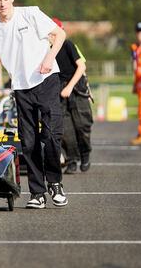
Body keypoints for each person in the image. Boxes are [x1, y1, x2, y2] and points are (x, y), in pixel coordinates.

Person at [0, 0, 67, 209]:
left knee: (52, 135)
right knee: (29, 141)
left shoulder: (30, 14)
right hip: (21, 88)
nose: (2, 4)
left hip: (47, 79)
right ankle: (37, 193)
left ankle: (55, 182)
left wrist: (49, 58)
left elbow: (60, 34)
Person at [50, 18, 93, 174]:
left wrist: (71, 87)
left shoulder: (68, 45)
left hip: (76, 86)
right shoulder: (45, 50)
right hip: (59, 90)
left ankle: (85, 153)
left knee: (82, 124)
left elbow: (81, 66)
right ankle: (72, 160)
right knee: (65, 129)